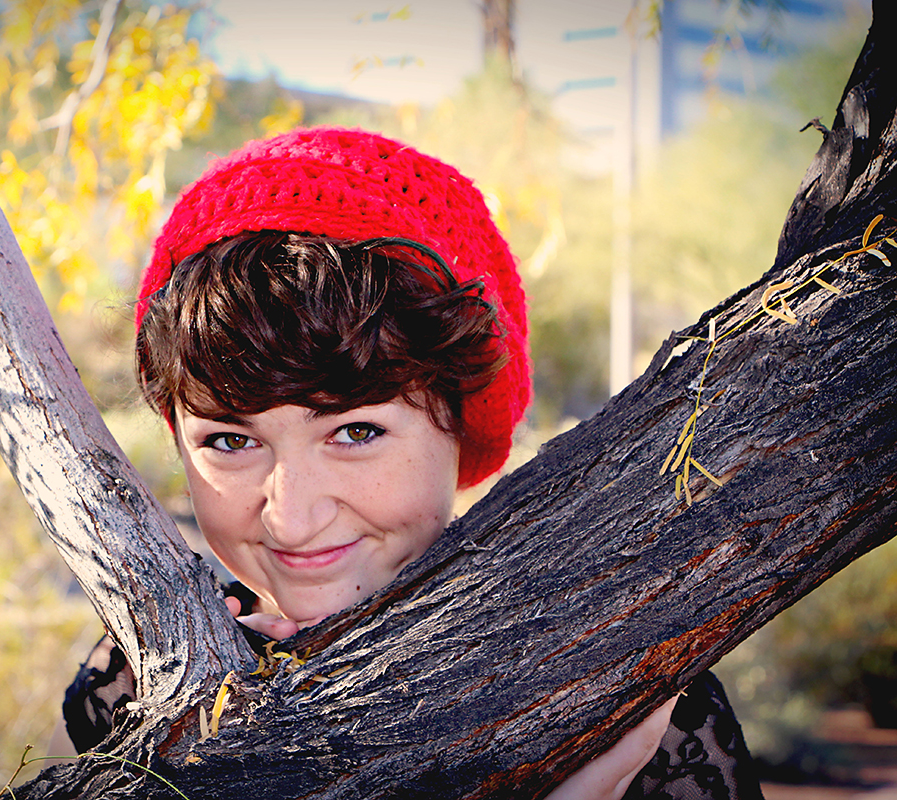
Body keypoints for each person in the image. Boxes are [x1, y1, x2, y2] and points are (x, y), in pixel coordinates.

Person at [60, 127, 762, 799]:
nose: (292, 519)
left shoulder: (625, 689)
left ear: (460, 420)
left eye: (356, 431)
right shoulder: (144, 688)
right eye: (231, 442)